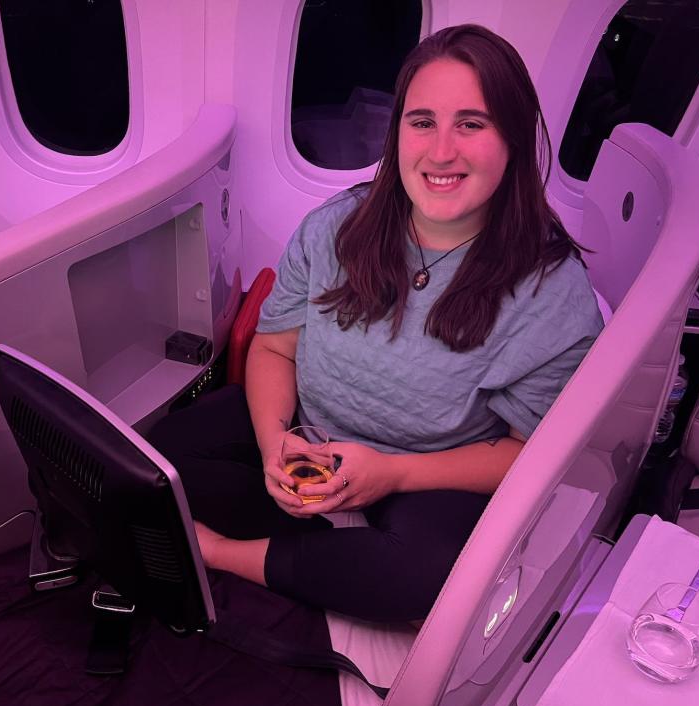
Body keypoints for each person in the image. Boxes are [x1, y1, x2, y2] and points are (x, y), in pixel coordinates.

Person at [148, 24, 604, 623]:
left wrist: (391, 474)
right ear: (397, 134)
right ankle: (325, 549)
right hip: (307, 431)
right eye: (422, 123)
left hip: (428, 469)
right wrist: (272, 444)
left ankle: (227, 554)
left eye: (472, 123)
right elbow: (275, 349)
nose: (441, 151)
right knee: (156, 462)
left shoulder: (555, 295)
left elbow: (528, 453)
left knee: (430, 574)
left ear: (513, 139)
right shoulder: (335, 226)